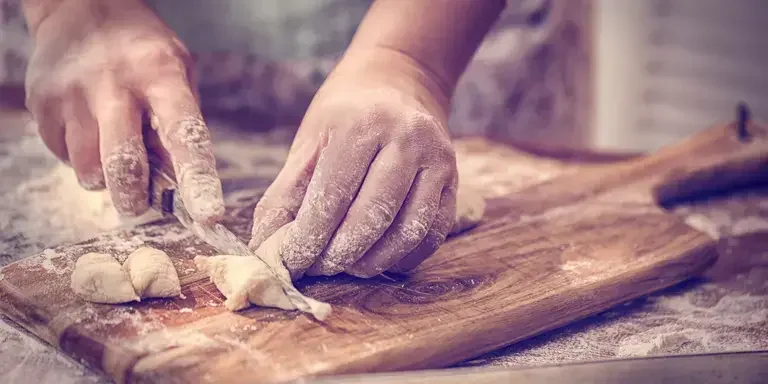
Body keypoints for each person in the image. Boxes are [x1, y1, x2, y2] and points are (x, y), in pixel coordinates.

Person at [20, 0, 506, 279]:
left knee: (403, 181)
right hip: (105, 60)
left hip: (444, 31)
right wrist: (68, 9)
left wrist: (410, 60)